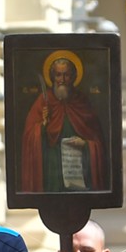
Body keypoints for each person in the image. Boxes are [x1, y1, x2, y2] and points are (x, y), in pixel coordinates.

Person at [20, 56, 105, 194]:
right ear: (53, 77)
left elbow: (98, 142)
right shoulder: (43, 101)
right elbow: (29, 136)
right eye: (58, 75)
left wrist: (85, 144)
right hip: (52, 169)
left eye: (67, 75)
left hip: (77, 167)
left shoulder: (82, 102)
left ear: (73, 77)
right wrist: (43, 125)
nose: (62, 80)